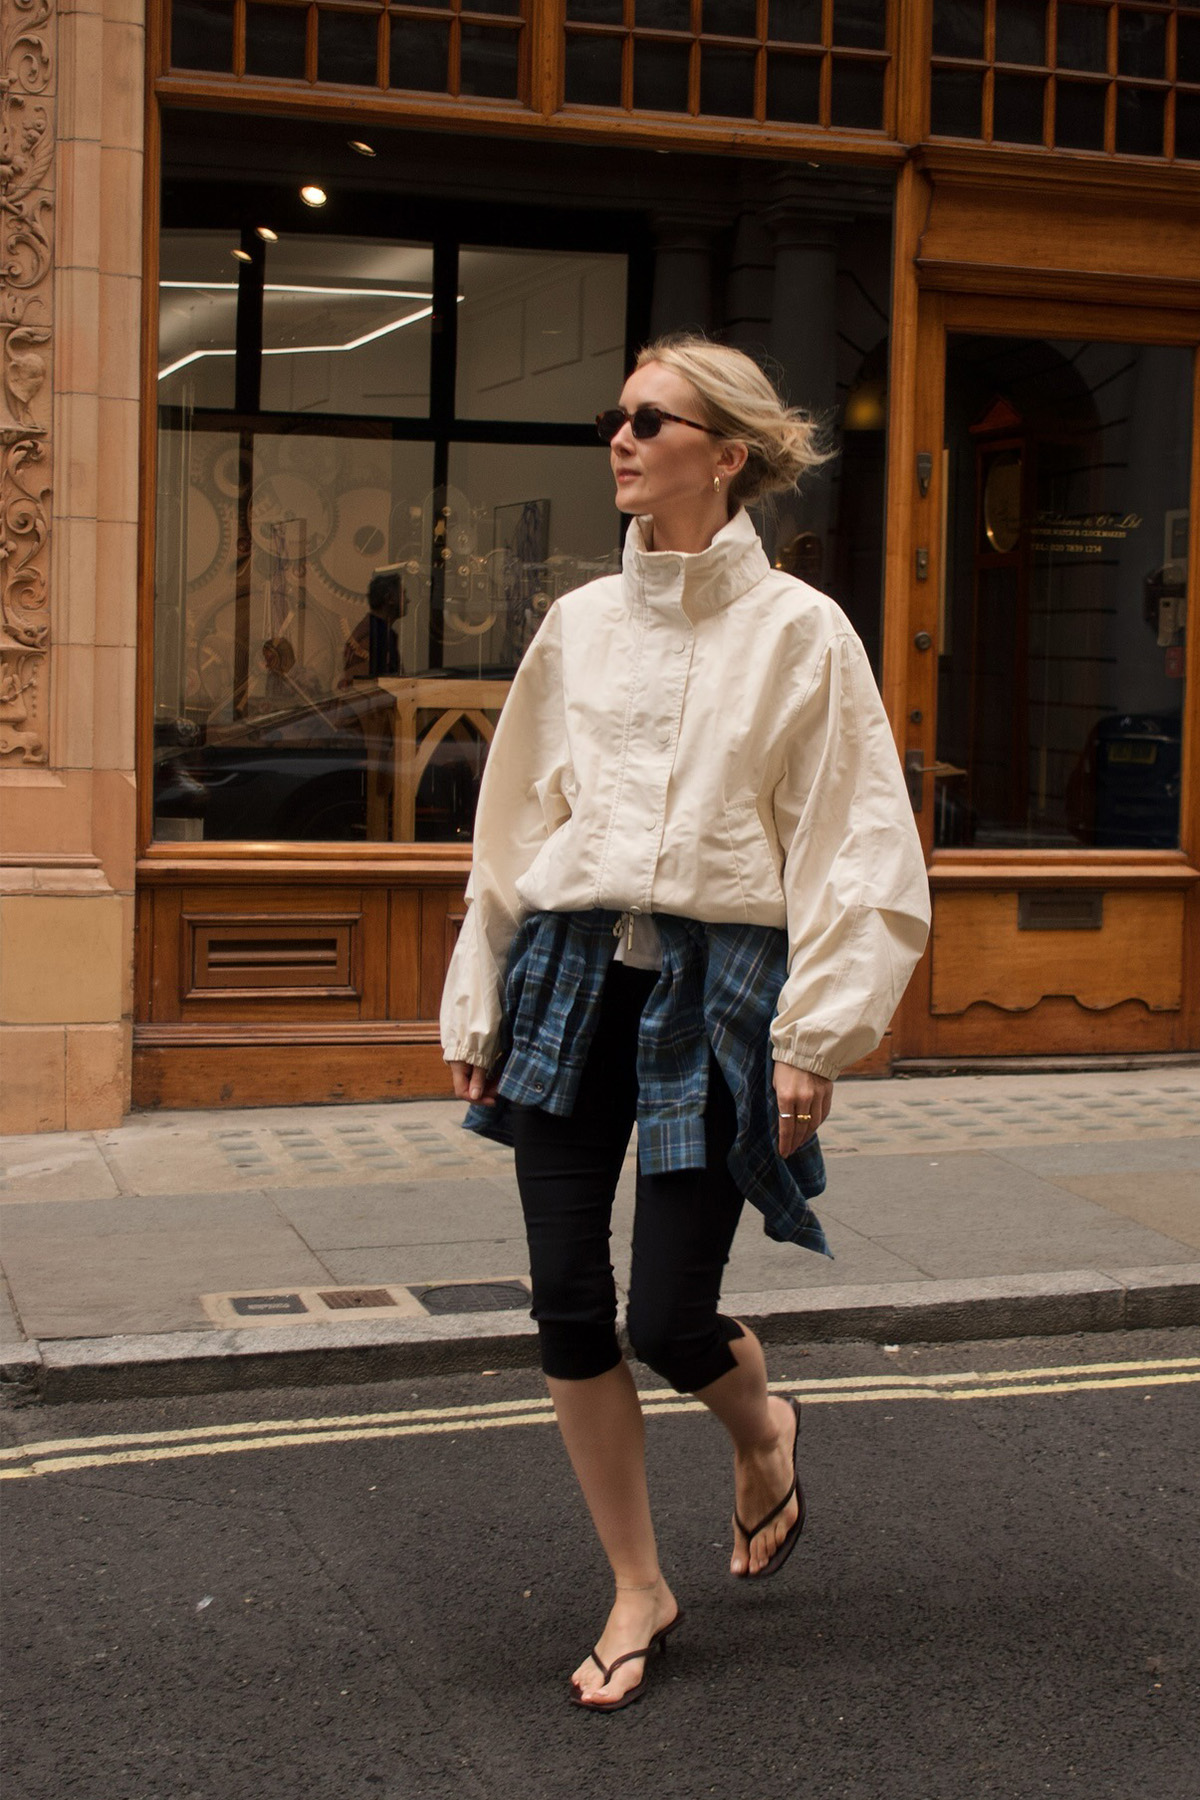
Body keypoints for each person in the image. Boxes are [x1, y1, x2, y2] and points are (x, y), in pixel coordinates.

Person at [440, 335, 930, 1712]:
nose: (621, 437)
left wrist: (816, 1034)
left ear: (727, 455)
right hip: (569, 976)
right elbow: (513, 818)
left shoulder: (801, 633)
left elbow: (855, 841)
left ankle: (763, 1427)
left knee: (665, 1315)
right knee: (565, 1301)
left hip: (719, 990)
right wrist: (480, 989)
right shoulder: (580, 625)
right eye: (618, 415)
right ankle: (638, 1587)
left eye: (652, 419)